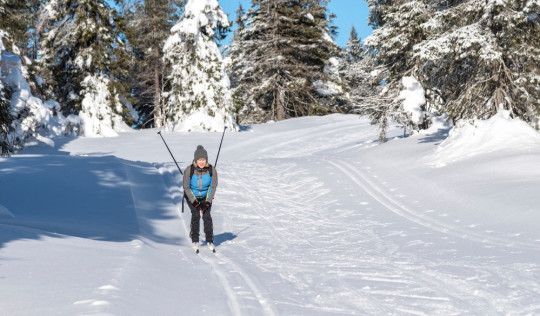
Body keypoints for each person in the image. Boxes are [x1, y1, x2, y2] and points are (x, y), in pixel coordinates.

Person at [183, 145, 218, 252]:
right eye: (199, 159)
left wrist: (208, 201)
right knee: (196, 214)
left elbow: (213, 186)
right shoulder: (189, 170)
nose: (201, 162)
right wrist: (194, 202)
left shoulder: (211, 170)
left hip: (205, 197)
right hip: (191, 196)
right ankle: (195, 239)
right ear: (195, 160)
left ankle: (209, 239)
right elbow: (186, 187)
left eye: (203, 159)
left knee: (207, 216)